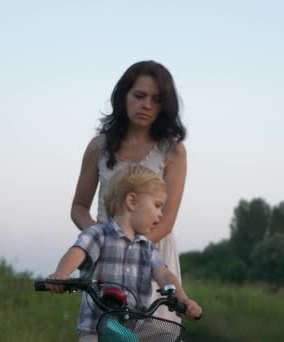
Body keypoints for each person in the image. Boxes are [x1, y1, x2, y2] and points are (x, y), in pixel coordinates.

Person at [70, 60, 187, 322]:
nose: (146, 105)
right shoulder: (98, 146)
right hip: (104, 257)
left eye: (156, 99)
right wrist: (100, 241)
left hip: (153, 253)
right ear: (123, 96)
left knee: (154, 330)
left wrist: (135, 249)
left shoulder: (173, 151)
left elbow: (166, 219)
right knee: (104, 329)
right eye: (139, 95)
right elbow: (78, 207)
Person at [49, 165, 202, 342]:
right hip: (97, 329)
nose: (161, 215)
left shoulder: (148, 248)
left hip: (136, 328)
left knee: (170, 338)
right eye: (157, 206)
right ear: (132, 202)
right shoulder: (99, 234)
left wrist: (183, 299)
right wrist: (62, 274)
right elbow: (78, 251)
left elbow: (164, 274)